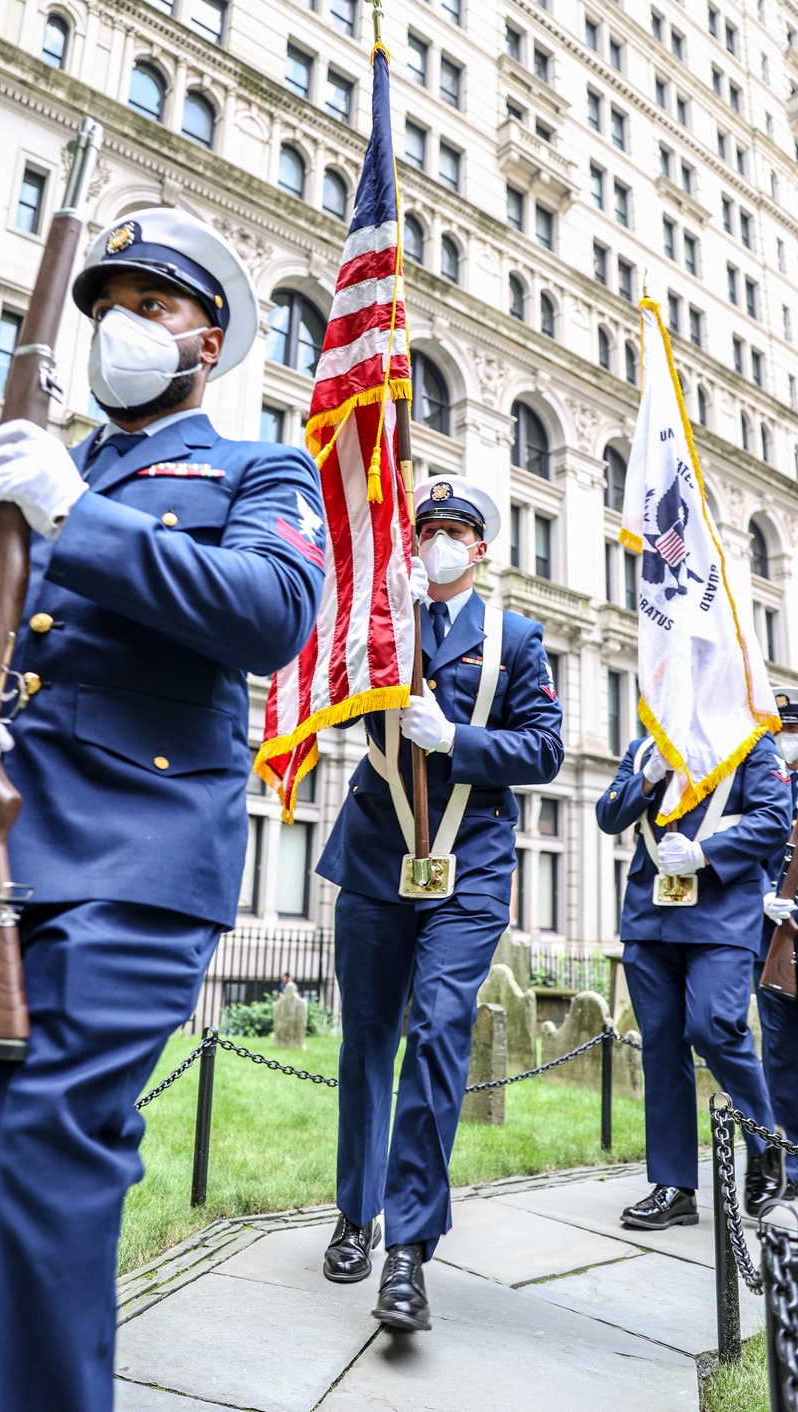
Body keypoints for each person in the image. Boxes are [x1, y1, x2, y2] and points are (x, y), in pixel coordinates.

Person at [0, 207, 325, 1412]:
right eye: (104, 306)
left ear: (208, 337)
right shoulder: (31, 464)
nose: (118, 327)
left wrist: (75, 513)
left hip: (135, 855)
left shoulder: (256, 468)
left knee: (42, 1161)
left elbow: (271, 612)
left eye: (150, 305)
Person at [316, 475, 564, 1331]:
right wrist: (375, 633)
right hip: (378, 853)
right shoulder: (385, 626)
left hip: (469, 864)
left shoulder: (519, 637)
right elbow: (327, 695)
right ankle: (357, 1212)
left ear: (482, 548)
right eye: (427, 530)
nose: (437, 542)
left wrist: (453, 738)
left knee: (437, 1035)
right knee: (366, 1043)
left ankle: (409, 1250)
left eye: (455, 530)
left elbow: (545, 749)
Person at [597, 729, 790, 1230]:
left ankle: (767, 1151)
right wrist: (649, 776)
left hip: (722, 912)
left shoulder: (750, 743)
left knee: (714, 1027)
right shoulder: (644, 748)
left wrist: (706, 854)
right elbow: (608, 815)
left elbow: (773, 820)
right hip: (650, 912)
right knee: (660, 1046)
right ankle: (674, 1186)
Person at [757, 690, 798, 1199]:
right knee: (781, 1055)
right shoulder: (761, 778)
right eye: (780, 732)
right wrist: (763, 899)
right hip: (772, 944)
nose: (786, 741)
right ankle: (789, 1165)